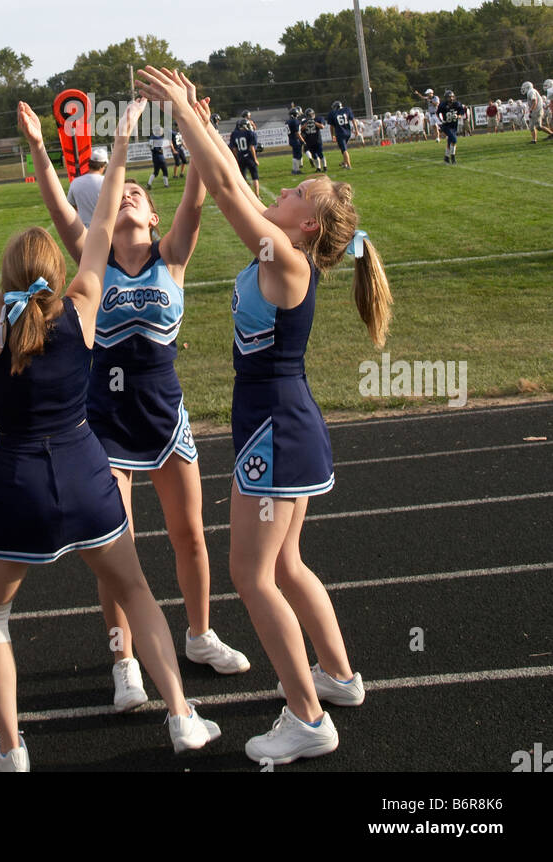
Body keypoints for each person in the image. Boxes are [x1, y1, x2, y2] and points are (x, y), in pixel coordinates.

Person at [0, 110, 220, 769]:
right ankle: (182, 717)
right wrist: (118, 141)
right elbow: (106, 212)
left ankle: (11, 748)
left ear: (4, 278)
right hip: (90, 477)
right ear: (60, 270)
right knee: (139, 591)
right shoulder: (85, 298)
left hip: (20, 488)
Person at [136, 66, 393, 767]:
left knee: (251, 576)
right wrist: (200, 121)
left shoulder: (284, 257)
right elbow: (229, 179)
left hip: (274, 432)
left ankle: (307, 718)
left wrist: (183, 110)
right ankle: (337, 677)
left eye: (294, 191)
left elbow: (223, 189)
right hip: (282, 424)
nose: (279, 189)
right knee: (286, 563)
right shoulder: (284, 246)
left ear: (306, 222)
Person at [17, 100, 250, 712]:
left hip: (166, 418)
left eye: (139, 197)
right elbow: (55, 203)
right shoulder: (91, 252)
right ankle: (125, 663)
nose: (128, 200)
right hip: (106, 426)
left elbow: (198, 191)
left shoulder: (172, 254)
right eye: (122, 196)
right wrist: (40, 147)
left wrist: (192, 128)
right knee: (118, 555)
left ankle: (199, 635)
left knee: (190, 536)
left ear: (152, 213)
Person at [67, 145, 108, 226]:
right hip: (104, 228)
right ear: (103, 166)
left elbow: (70, 206)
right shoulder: (107, 182)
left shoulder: (75, 182)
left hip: (83, 230)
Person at [230, 113, 261, 197]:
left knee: (242, 179)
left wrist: (237, 158)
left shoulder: (234, 134)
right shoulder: (250, 133)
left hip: (240, 157)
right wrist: (255, 159)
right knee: (255, 177)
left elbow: (234, 149)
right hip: (250, 157)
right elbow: (251, 147)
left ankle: (245, 196)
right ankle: (257, 195)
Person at [437, 89, 467, 163]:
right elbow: (437, 113)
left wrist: (458, 116)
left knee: (449, 141)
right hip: (446, 125)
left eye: (452, 97)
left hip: (454, 125)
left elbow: (462, 112)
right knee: (454, 140)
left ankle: (446, 157)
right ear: (446, 98)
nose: (451, 98)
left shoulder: (457, 104)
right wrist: (441, 120)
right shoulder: (443, 105)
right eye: (449, 97)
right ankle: (453, 157)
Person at [327, 101, 355, 169]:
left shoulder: (332, 113)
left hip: (340, 133)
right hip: (348, 132)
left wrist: (332, 135)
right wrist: (356, 130)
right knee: (344, 148)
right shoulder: (347, 110)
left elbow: (331, 126)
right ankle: (345, 163)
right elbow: (353, 120)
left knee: (344, 150)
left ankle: (349, 165)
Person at [286, 105, 304, 175]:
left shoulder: (288, 121)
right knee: (297, 155)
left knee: (295, 155)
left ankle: (294, 170)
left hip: (291, 139)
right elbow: (297, 133)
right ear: (295, 114)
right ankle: (296, 170)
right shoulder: (295, 121)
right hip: (295, 139)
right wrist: (302, 140)